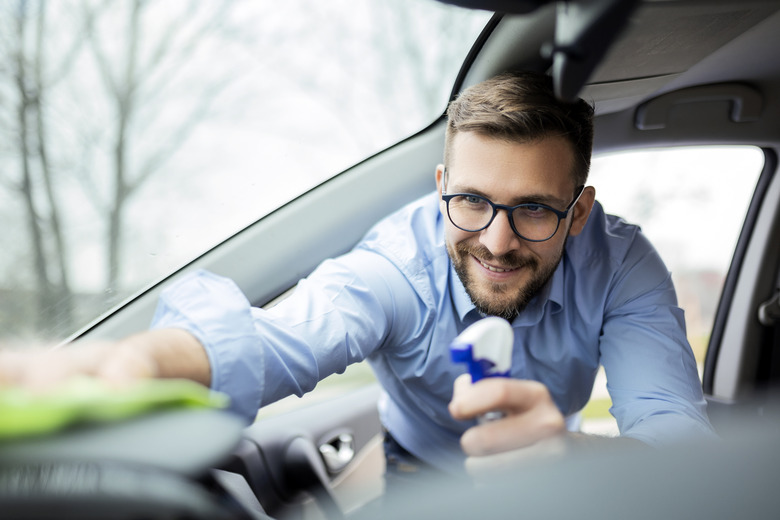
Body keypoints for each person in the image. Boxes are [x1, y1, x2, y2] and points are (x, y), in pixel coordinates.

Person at [1, 71, 714, 475]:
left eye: (533, 209)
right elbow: (276, 341)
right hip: (415, 462)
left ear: (580, 212)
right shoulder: (397, 265)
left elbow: (675, 436)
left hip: (558, 466)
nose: (496, 243)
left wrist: (574, 462)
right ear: (440, 187)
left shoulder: (624, 266)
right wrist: (127, 363)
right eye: (469, 201)